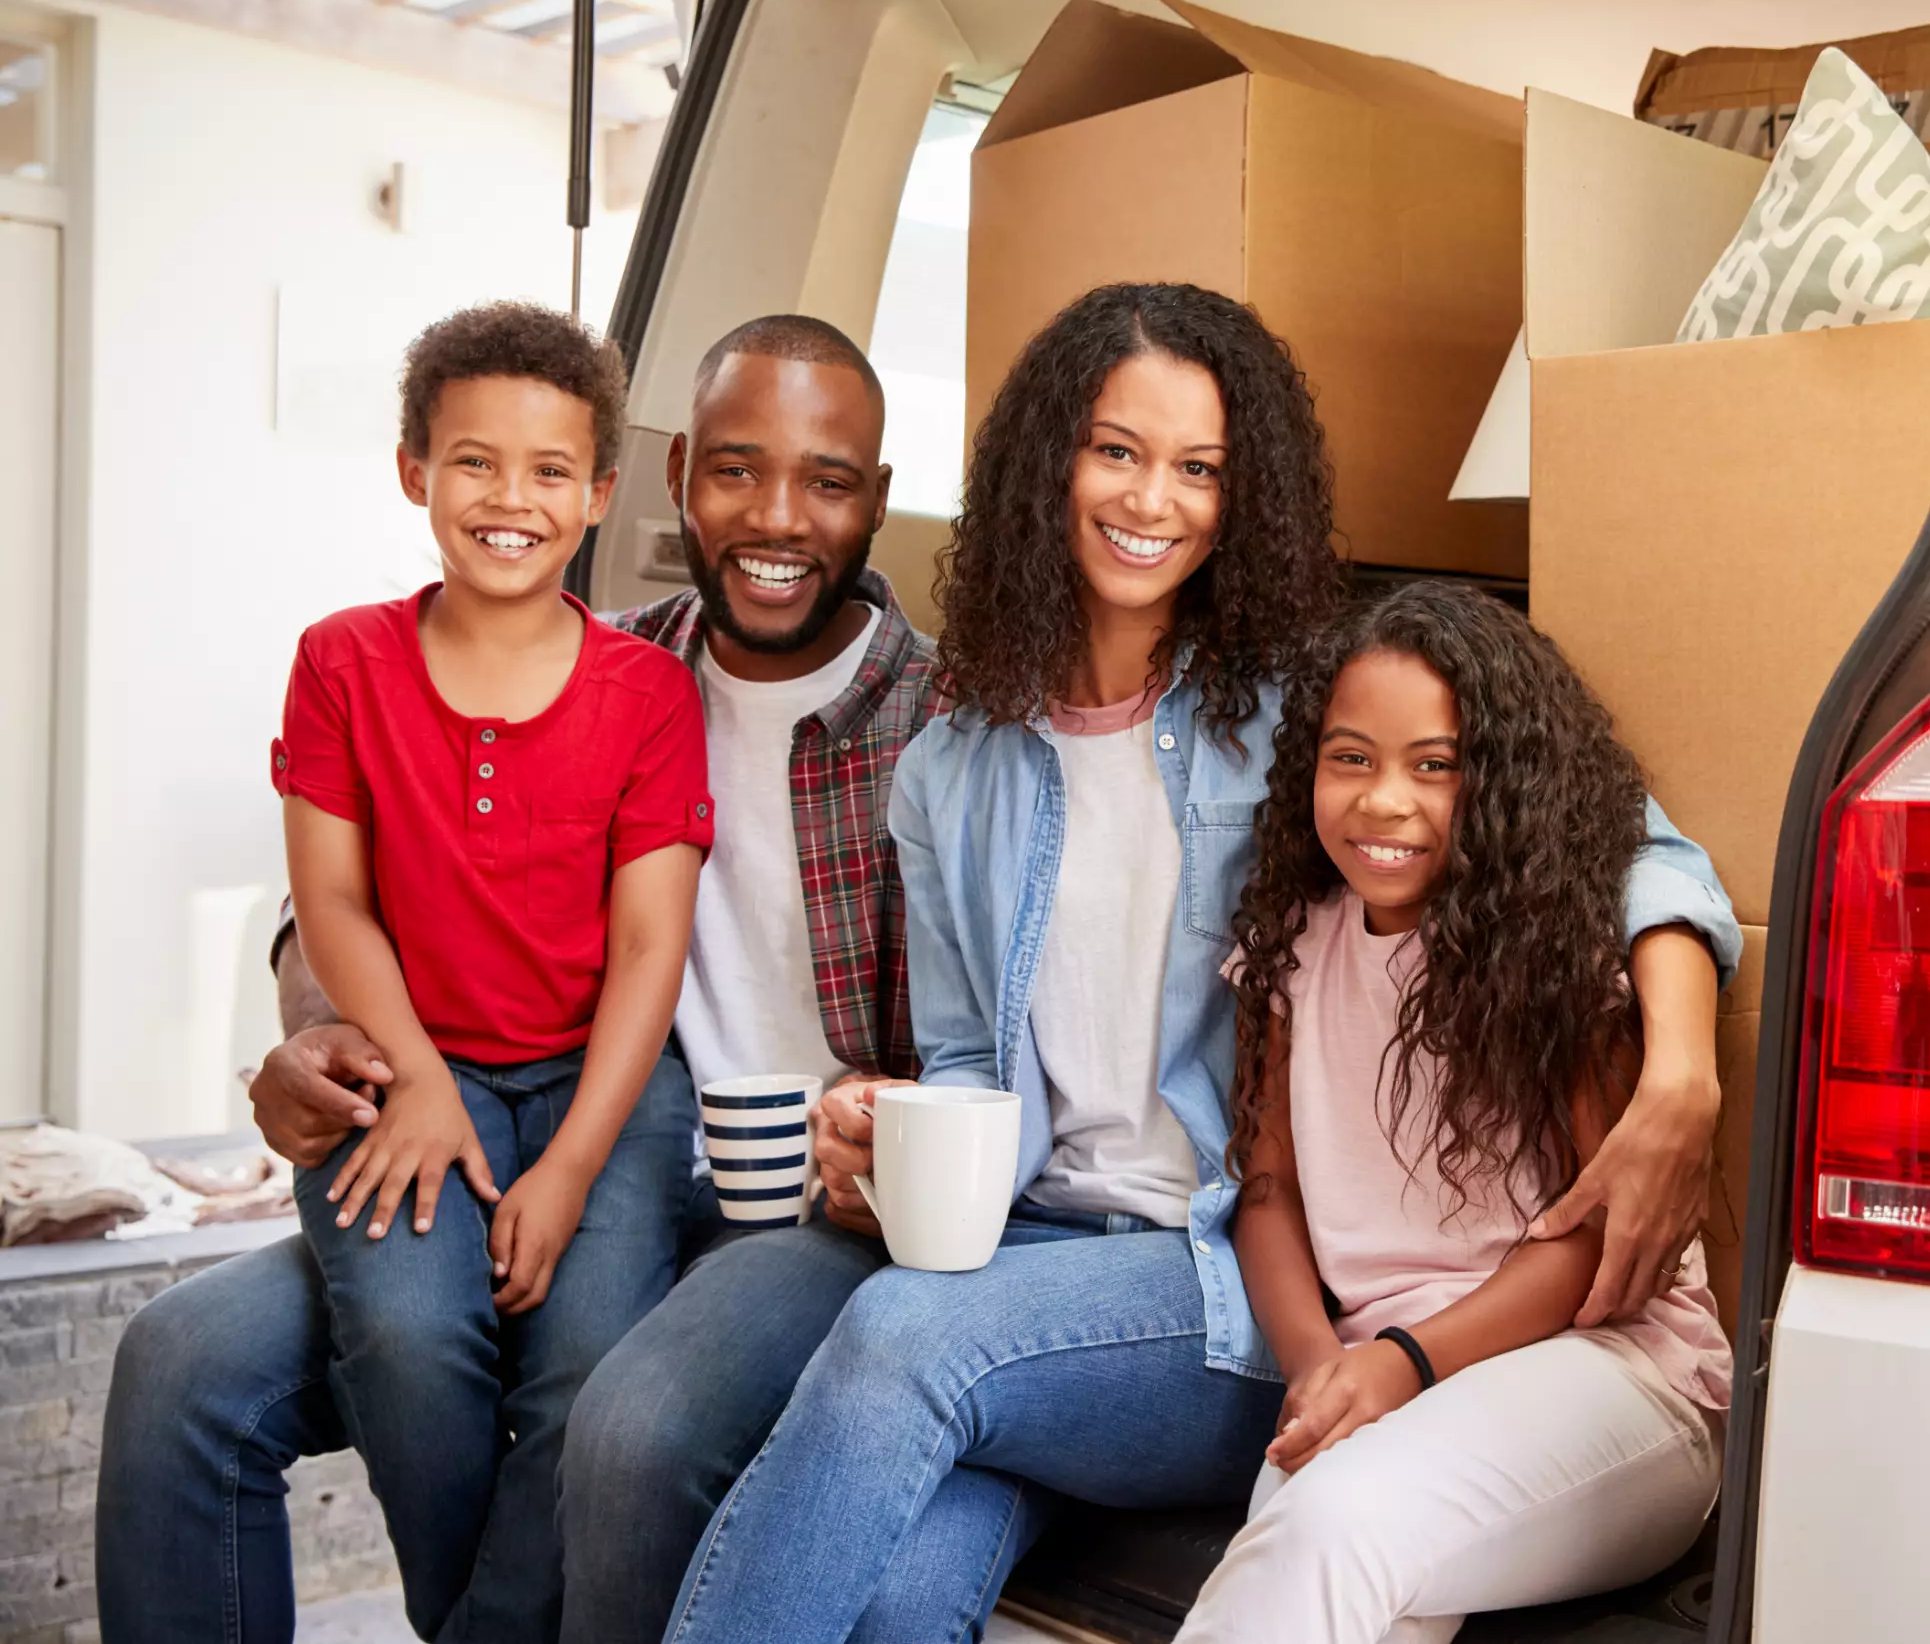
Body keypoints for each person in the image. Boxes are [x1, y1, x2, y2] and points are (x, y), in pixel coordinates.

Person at [657, 282, 1742, 1642]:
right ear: (1048, 463)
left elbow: (1638, 847)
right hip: (1034, 1253)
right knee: (900, 1581)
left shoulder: (1316, 710)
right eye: (1116, 450)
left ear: (1244, 497)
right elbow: (963, 1064)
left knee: (898, 1340)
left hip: (1217, 1276)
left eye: (1199, 467)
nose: (1151, 499)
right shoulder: (947, 768)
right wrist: (888, 1138)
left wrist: (1685, 1074)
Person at [95, 312, 936, 1644]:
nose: (777, 514)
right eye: (734, 467)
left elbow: (992, 1044)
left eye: (826, 479)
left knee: (622, 1418)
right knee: (180, 1361)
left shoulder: (944, 729)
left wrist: (890, 1125)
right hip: (491, 1120)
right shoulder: (614, 654)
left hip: (778, 1214)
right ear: (667, 482)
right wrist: (321, 1041)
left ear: (875, 500)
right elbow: (353, 898)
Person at [1175, 582, 1731, 1643]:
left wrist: (1402, 1363)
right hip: (1378, 1378)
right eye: (1351, 757)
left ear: (1504, 782)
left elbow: (1597, 1245)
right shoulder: (1292, 944)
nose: (1386, 799)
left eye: (1436, 765)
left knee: (1334, 1526)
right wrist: (1318, 1370)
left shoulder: (1559, 952)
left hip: (1614, 1379)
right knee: (1335, 1567)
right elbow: (1268, 1188)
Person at [273, 300, 711, 1642]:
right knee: (411, 1346)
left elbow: (652, 945)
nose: (508, 497)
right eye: (473, 461)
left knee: (588, 1372)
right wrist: (414, 1082)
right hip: (413, 1065)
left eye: (546, 470)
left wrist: (574, 1160)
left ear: (597, 493)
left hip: (606, 1090)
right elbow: (333, 899)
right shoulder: (341, 660)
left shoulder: (647, 693)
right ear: (416, 471)